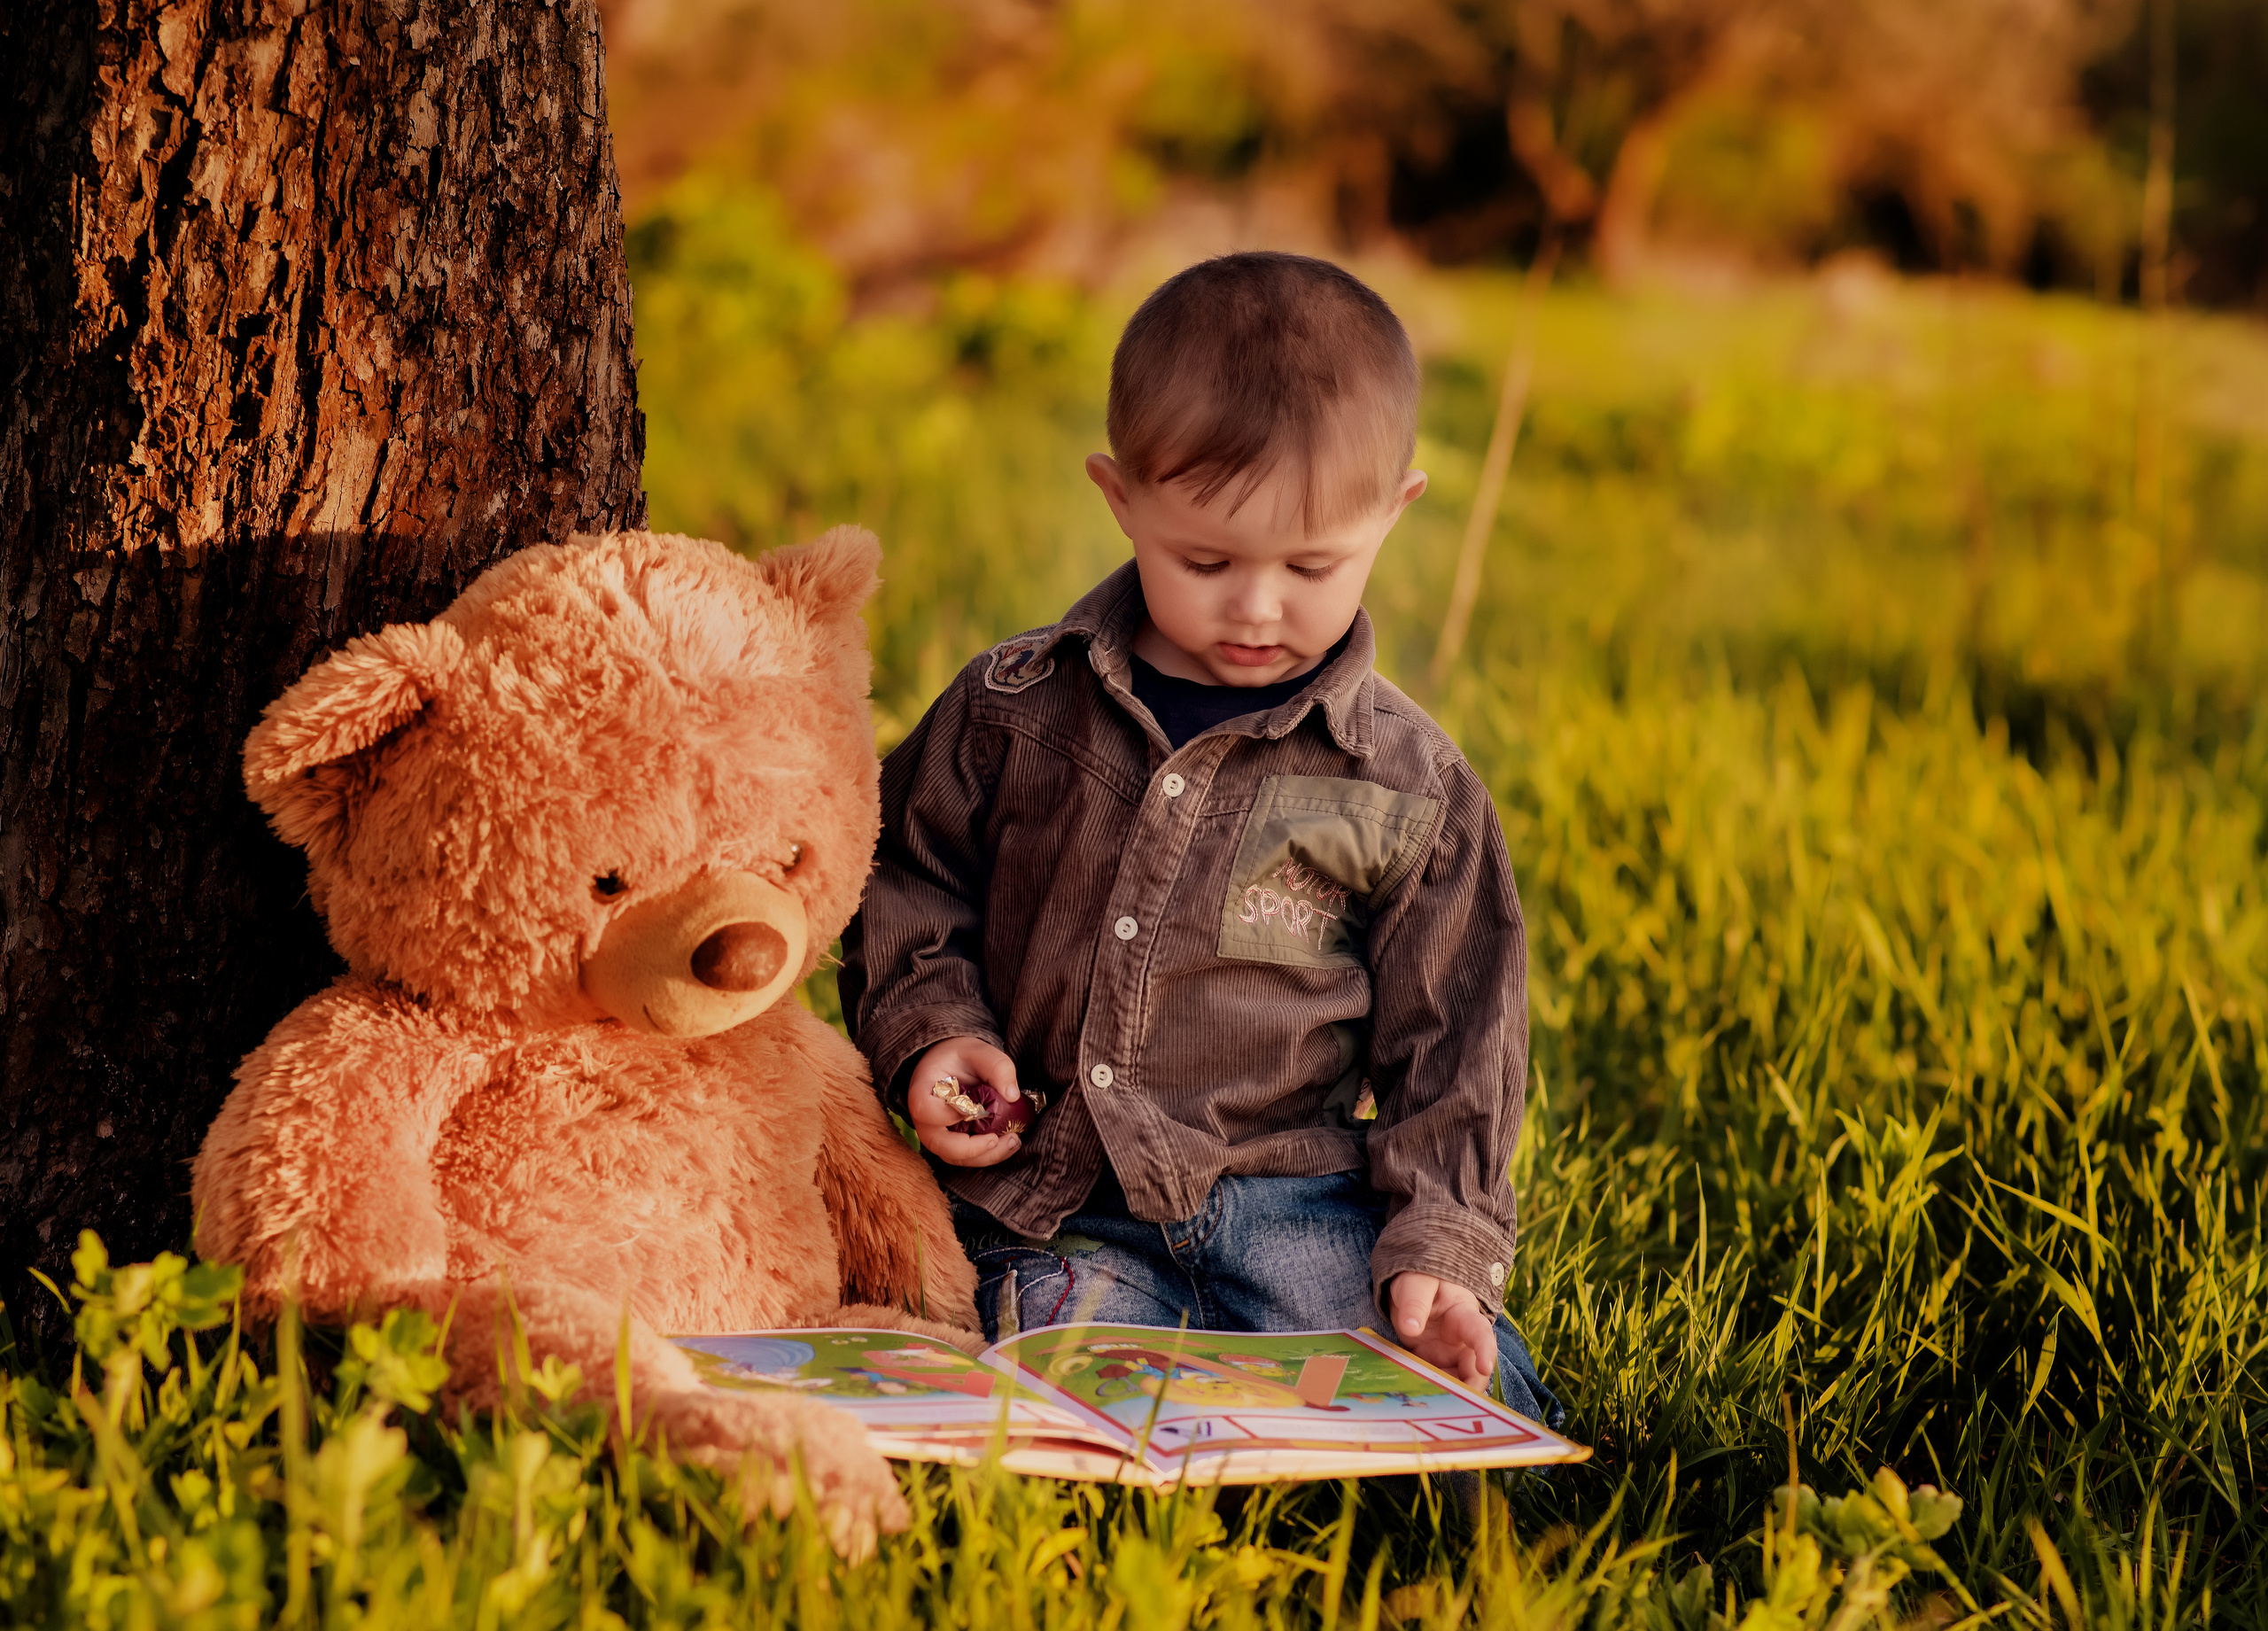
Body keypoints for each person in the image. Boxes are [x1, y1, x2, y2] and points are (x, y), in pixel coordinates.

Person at [839, 251, 1561, 1428]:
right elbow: (904, 878)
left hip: (1299, 1205)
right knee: (1036, 1395)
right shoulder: (1013, 713)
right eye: (1207, 560)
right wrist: (937, 1034)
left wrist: (1439, 1240)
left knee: (1452, 1398)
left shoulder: (1407, 783)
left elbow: (1460, 1037)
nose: (1258, 605)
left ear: (1397, 512)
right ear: (1121, 500)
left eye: (1311, 564)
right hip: (1056, 1200)